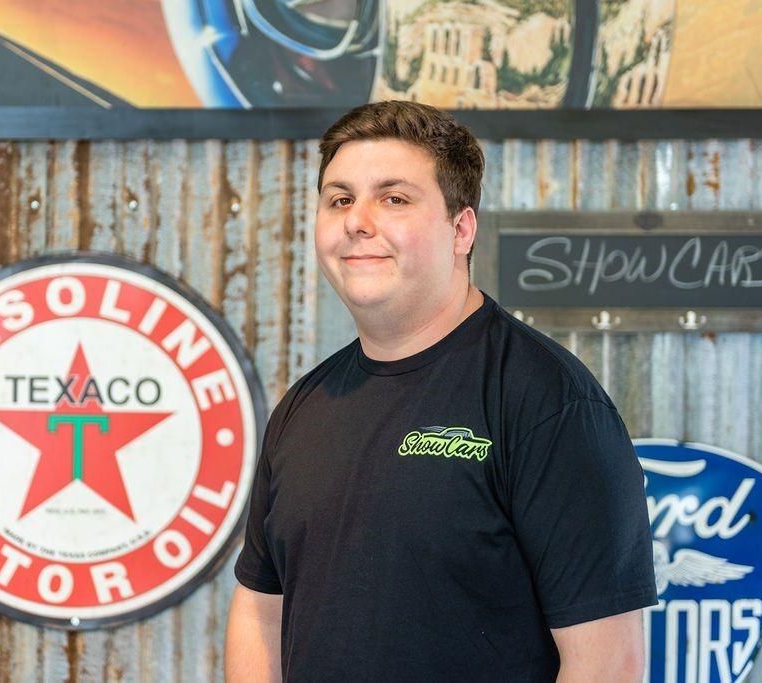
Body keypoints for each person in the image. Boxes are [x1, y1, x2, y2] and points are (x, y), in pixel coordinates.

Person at [224, 100, 657, 682]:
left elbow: (608, 664)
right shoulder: (303, 409)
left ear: (461, 228)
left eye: (394, 198)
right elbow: (260, 610)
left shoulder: (548, 406)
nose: (357, 220)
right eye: (340, 198)